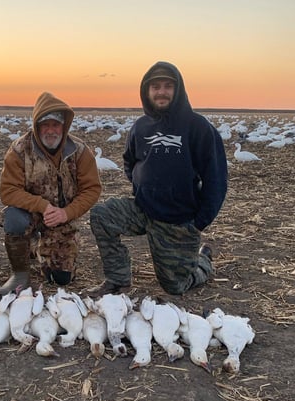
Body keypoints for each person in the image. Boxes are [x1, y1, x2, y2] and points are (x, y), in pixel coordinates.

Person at [88, 61, 227, 297]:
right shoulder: (141, 126)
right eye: (155, 86)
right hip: (143, 210)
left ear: (177, 90)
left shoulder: (198, 127)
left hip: (178, 221)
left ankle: (203, 261)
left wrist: (199, 222)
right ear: (147, 91)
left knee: (174, 287)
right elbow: (130, 160)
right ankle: (117, 280)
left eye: (167, 86)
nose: (161, 92)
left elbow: (216, 179)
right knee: (101, 215)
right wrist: (141, 186)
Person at [0, 91, 101, 295]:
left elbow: (92, 189)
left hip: (62, 217)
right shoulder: (19, 150)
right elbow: (8, 191)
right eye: (45, 125)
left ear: (64, 126)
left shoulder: (79, 151)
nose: (51, 130)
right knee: (14, 220)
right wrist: (43, 206)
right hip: (31, 213)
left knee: (60, 280)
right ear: (36, 126)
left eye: (56, 124)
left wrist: (67, 213)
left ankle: (37, 245)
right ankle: (20, 274)